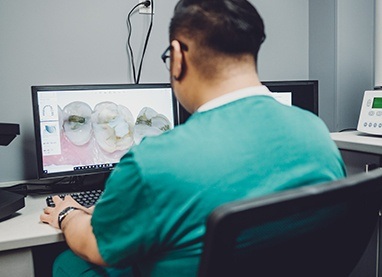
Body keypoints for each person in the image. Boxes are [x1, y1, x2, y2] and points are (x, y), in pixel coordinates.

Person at [40, 0, 346, 276]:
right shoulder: (317, 132)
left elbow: (96, 247)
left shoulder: (154, 161)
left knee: (66, 263)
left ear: (177, 57)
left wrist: (68, 214)